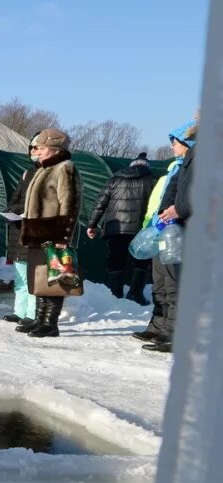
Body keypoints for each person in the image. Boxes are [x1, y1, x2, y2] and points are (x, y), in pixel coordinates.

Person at [133, 122, 195, 346]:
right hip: (161, 227)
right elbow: (164, 197)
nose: (171, 147)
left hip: (180, 227)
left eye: (175, 142)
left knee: (173, 281)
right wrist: (154, 220)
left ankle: (173, 330)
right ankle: (159, 324)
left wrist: (177, 210)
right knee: (160, 280)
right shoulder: (174, 168)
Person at [18, 128, 82, 338]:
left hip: (54, 233)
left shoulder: (65, 168)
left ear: (54, 149)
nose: (37, 150)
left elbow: (70, 204)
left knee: (55, 279)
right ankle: (39, 318)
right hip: (38, 233)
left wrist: (64, 236)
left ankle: (50, 323)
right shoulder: (43, 168)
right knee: (40, 278)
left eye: (41, 147)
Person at [86, 153, 156, 303]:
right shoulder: (151, 180)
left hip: (114, 227)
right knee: (141, 260)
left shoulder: (115, 179)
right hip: (139, 229)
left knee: (116, 260)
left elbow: (100, 204)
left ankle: (115, 294)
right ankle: (136, 294)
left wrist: (91, 224)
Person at [1, 134, 41, 325]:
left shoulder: (52, 174)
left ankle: (32, 314)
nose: (34, 151)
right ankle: (19, 310)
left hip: (37, 231)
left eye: (37, 148)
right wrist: (12, 212)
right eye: (31, 148)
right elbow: (15, 199)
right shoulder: (27, 173)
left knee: (33, 275)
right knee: (20, 273)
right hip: (20, 229)